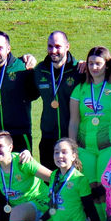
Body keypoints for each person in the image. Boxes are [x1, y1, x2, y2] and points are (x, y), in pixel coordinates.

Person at [14, 138, 103, 221]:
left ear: (73, 156)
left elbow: (91, 210)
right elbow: (53, 205)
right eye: (56, 152)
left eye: (64, 152)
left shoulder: (80, 180)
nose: (59, 156)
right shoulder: (54, 176)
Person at [69, 46, 111, 221]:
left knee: (106, 188)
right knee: (91, 189)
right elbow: (74, 121)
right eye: (91, 63)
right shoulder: (80, 89)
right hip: (84, 149)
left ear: (107, 65)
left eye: (98, 63)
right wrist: (72, 149)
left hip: (109, 147)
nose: (94, 67)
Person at [0, 29, 39, 152]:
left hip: (19, 133)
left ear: (8, 49)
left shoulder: (22, 67)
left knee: (21, 165)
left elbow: (35, 94)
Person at [33, 31, 85, 169]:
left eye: (58, 46)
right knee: (49, 179)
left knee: (73, 178)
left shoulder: (79, 70)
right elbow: (29, 94)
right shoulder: (40, 70)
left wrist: (88, 64)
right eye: (50, 46)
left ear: (67, 46)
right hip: (48, 138)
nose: (53, 51)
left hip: (73, 137)